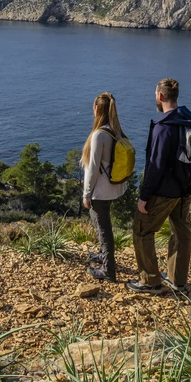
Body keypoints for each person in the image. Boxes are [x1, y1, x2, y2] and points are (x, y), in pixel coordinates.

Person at [126, 78, 191, 295]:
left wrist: (144, 196)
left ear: (160, 96)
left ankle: (150, 281)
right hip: (186, 189)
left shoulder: (163, 128)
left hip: (164, 191)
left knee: (142, 230)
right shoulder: (188, 120)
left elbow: (155, 166)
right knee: (181, 233)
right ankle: (178, 281)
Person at [81, 92, 128, 282]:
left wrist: (86, 194)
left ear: (97, 109)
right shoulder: (116, 130)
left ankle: (108, 271)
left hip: (100, 191)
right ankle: (103, 255)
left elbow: (92, 168)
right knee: (102, 225)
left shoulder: (99, 135)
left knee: (103, 229)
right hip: (113, 187)